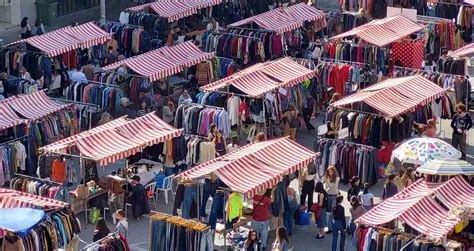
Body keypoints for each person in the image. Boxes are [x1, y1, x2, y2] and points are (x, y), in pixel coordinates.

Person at [323, 166, 340, 233]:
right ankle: (332, 225)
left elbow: (331, 186)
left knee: (332, 213)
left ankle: (330, 227)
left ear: (334, 171)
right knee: (329, 211)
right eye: (328, 171)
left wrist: (327, 181)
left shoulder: (337, 178)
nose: (330, 173)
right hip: (328, 196)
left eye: (331, 171)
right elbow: (326, 188)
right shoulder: (328, 178)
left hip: (334, 196)